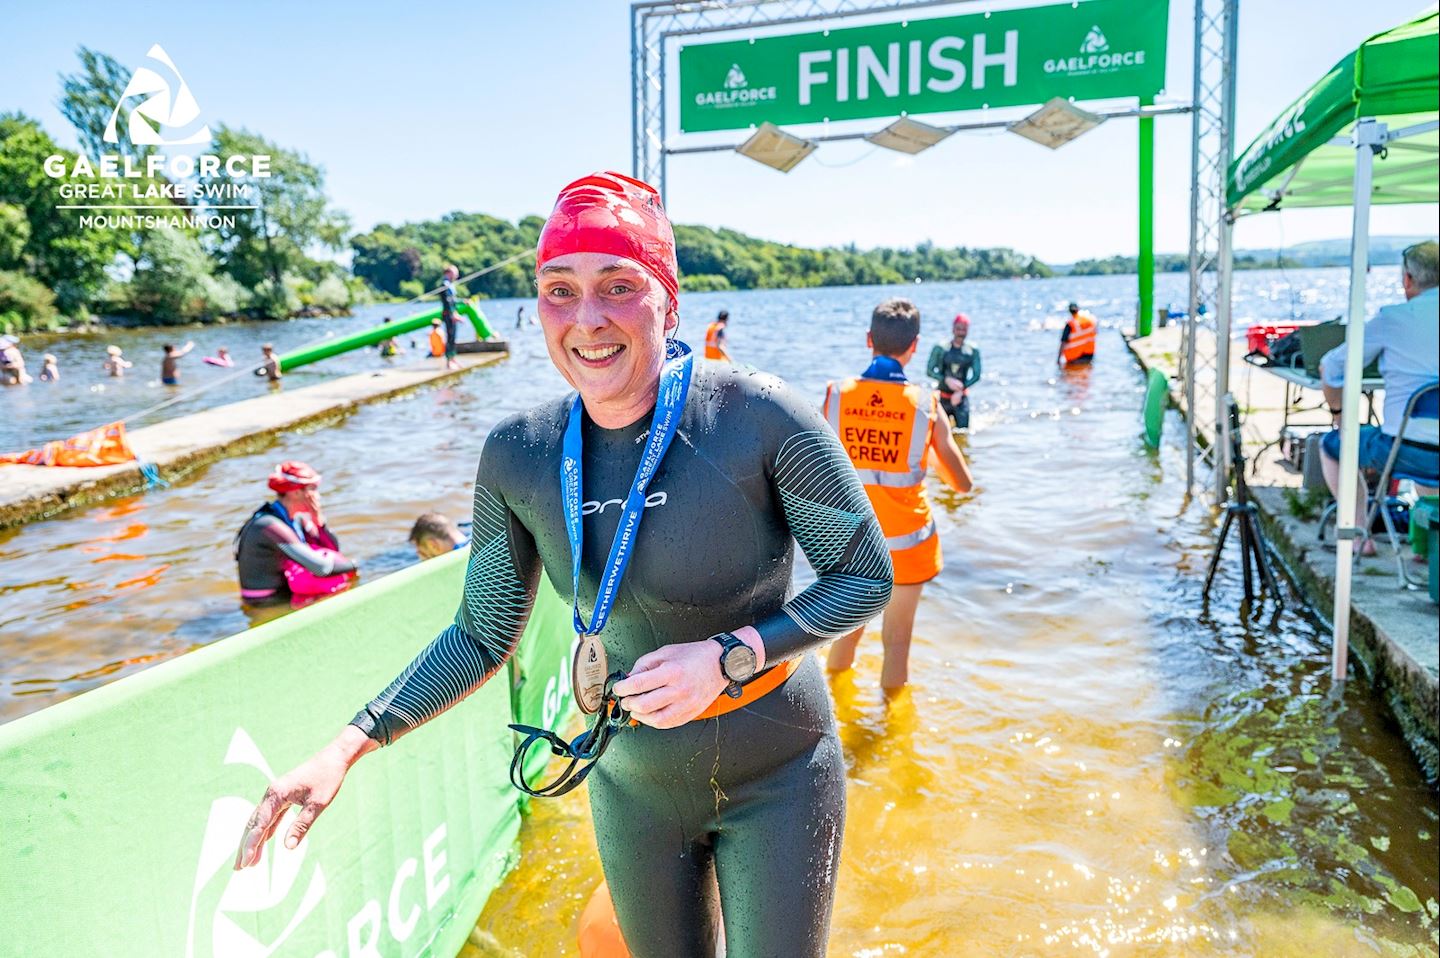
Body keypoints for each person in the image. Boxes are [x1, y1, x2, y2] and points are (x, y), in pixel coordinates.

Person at [234, 171, 893, 958]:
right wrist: (349, 745)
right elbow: (481, 636)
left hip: (779, 768)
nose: (588, 320)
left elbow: (864, 575)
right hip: (632, 781)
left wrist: (730, 656)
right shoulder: (520, 454)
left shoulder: (756, 415)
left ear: (667, 300)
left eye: (618, 286)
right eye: (558, 290)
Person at [823, 298, 973, 690]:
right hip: (908, 545)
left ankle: (834, 719)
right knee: (898, 643)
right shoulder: (926, 404)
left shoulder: (836, 395)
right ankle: (892, 735)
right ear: (915, 346)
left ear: (869, 339)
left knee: (845, 635)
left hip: (851, 544)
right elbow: (962, 483)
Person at [1319, 240, 1440, 554]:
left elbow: (1330, 367)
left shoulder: (1393, 318)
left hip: (1406, 451)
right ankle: (1425, 548)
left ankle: (1360, 537)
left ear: (1408, 280)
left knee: (1333, 446)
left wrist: (1339, 416)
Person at [233, 461, 358, 607]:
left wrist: (318, 519)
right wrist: (355, 565)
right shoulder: (270, 525)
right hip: (267, 604)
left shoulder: (295, 521)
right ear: (296, 492)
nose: (318, 496)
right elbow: (322, 569)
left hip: (286, 595)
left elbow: (333, 551)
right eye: (313, 489)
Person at [926, 313, 983, 430]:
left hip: (961, 398)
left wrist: (961, 390)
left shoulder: (972, 350)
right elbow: (929, 370)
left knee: (963, 433)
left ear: (967, 330)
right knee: (937, 432)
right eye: (958, 328)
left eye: (964, 329)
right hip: (943, 396)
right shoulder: (941, 348)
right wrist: (945, 379)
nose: (961, 332)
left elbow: (977, 375)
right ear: (953, 329)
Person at [1057, 301, 1097, 367]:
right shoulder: (1089, 320)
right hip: (1089, 356)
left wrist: (1058, 359)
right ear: (1078, 309)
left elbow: (1063, 342)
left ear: (1069, 311)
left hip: (1074, 357)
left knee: (1070, 375)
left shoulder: (1070, 324)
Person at [439, 264, 461, 370]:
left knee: (453, 338)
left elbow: (454, 300)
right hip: (448, 315)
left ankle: (453, 359)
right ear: (448, 273)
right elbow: (447, 302)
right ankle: (449, 361)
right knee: (450, 337)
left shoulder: (450, 285)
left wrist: (463, 301)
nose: (456, 275)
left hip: (452, 314)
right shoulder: (445, 284)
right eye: (454, 273)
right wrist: (453, 314)